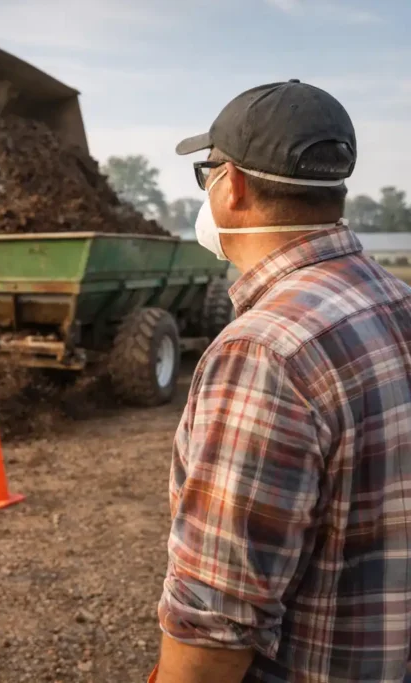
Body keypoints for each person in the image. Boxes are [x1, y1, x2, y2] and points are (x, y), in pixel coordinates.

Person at [150, 80, 411, 682]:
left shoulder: (264, 351)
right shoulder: (396, 301)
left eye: (206, 173)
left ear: (231, 185)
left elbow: (215, 628)